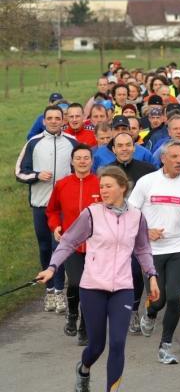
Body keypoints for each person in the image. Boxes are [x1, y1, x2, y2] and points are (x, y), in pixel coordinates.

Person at [35, 165, 160, 392]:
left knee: (118, 343)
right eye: (101, 186)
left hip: (122, 287)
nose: (103, 190)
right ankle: (84, 368)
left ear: (123, 188)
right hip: (93, 287)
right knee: (96, 346)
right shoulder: (91, 214)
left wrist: (151, 275)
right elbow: (69, 242)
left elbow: (142, 249)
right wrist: (52, 267)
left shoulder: (137, 217)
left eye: (108, 186)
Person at [128, 139, 180, 364]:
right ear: (163, 158)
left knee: (173, 298)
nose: (179, 161)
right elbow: (129, 214)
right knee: (158, 300)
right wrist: (146, 231)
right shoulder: (147, 182)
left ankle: (165, 346)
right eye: (174, 157)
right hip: (150, 251)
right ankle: (150, 314)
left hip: (179, 247)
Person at [16, 104, 78, 313]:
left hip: (63, 208)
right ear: (44, 121)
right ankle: (50, 290)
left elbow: (80, 168)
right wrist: (36, 175)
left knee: (58, 247)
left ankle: (60, 291)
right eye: (49, 118)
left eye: (57, 118)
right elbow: (19, 172)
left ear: (63, 120)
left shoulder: (72, 142)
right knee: (44, 247)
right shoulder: (33, 143)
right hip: (40, 204)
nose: (53, 121)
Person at [46, 144, 100, 345]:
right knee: (76, 283)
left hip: (95, 246)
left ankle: (85, 328)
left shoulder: (100, 183)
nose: (82, 161)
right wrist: (56, 227)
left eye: (86, 158)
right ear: (72, 161)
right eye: (78, 158)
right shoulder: (62, 184)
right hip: (72, 245)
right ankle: (71, 313)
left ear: (92, 161)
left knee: (89, 287)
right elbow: (51, 211)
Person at [109, 132, 157, 333]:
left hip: (140, 229)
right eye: (120, 146)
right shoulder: (106, 171)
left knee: (138, 271)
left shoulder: (147, 170)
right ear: (113, 149)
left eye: (128, 145)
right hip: (113, 229)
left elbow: (155, 199)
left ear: (134, 147)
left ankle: (134, 309)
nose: (124, 149)